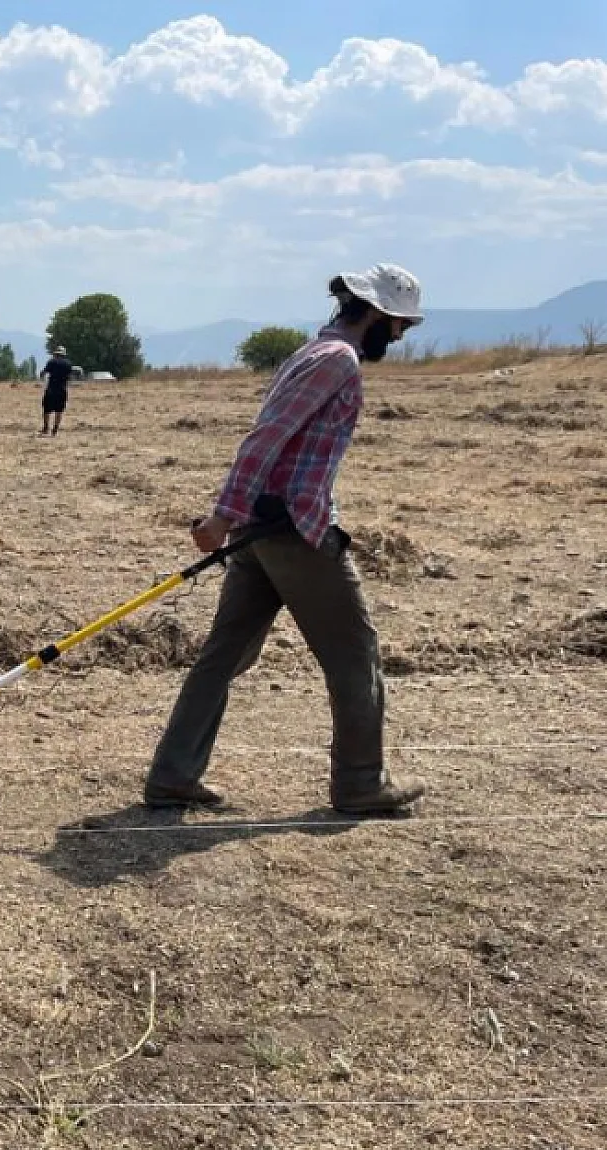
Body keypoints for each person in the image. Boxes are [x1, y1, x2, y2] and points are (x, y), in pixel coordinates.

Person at [143, 264, 428, 816]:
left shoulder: (311, 351)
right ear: (375, 314)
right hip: (293, 530)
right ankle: (362, 783)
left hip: (263, 527)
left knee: (224, 655)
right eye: (399, 326)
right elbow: (267, 437)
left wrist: (236, 516)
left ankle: (173, 776)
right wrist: (222, 516)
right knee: (355, 652)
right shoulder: (337, 361)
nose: (398, 337)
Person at [40, 345, 73, 435]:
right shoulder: (68, 364)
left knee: (47, 409)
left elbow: (43, 373)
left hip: (51, 389)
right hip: (62, 389)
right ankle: (55, 430)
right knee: (59, 410)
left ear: (56, 354)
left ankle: (46, 428)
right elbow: (70, 377)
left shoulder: (51, 362)